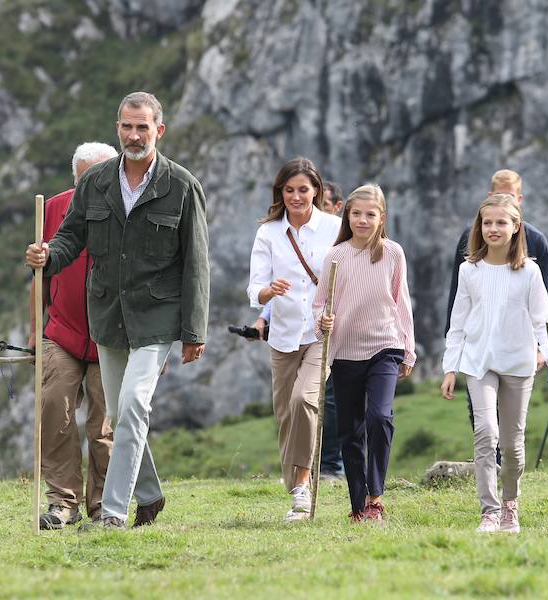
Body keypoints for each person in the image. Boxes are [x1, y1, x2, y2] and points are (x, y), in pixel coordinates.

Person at [26, 91, 210, 528]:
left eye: (142, 126)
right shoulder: (95, 182)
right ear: (118, 128)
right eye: (126, 126)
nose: (134, 134)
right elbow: (71, 238)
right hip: (106, 317)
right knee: (120, 412)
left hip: (157, 319)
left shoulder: (182, 185)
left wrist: (194, 331)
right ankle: (149, 494)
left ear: (158, 130)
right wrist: (47, 255)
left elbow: (197, 263)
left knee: (130, 406)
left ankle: (111, 514)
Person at [441, 193, 548, 534]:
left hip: (519, 363)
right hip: (479, 362)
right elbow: (458, 323)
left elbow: (543, 319)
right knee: (485, 433)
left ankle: (511, 506)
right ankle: (489, 511)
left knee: (512, 444)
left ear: (515, 227)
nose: (493, 229)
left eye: (501, 222)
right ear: (480, 227)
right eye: (487, 223)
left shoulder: (529, 271)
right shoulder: (469, 270)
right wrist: (451, 367)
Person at [247, 157, 341, 521]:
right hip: (283, 335)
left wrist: (338, 310)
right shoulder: (268, 233)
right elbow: (254, 288)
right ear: (280, 192)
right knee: (286, 414)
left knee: (305, 400)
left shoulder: (334, 228)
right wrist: (269, 292)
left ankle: (302, 486)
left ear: (316, 190)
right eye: (289, 190)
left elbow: (347, 274)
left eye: (303, 189)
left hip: (322, 332)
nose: (297, 197)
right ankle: (298, 486)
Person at [314, 184, 415, 522]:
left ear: (381, 217)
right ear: (347, 215)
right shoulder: (336, 256)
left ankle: (376, 497)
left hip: (385, 346)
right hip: (344, 352)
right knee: (350, 431)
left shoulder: (393, 253)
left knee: (380, 417)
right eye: (356, 214)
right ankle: (358, 506)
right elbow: (320, 305)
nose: (362, 220)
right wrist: (322, 320)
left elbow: (402, 302)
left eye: (370, 214)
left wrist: (408, 350)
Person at [31, 142, 117, 529]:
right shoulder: (54, 208)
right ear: (75, 178)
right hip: (62, 331)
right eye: (86, 178)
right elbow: (40, 275)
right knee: (55, 407)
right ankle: (62, 504)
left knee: (104, 424)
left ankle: (103, 505)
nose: (93, 185)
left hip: (111, 335)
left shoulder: (126, 210)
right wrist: (35, 328)